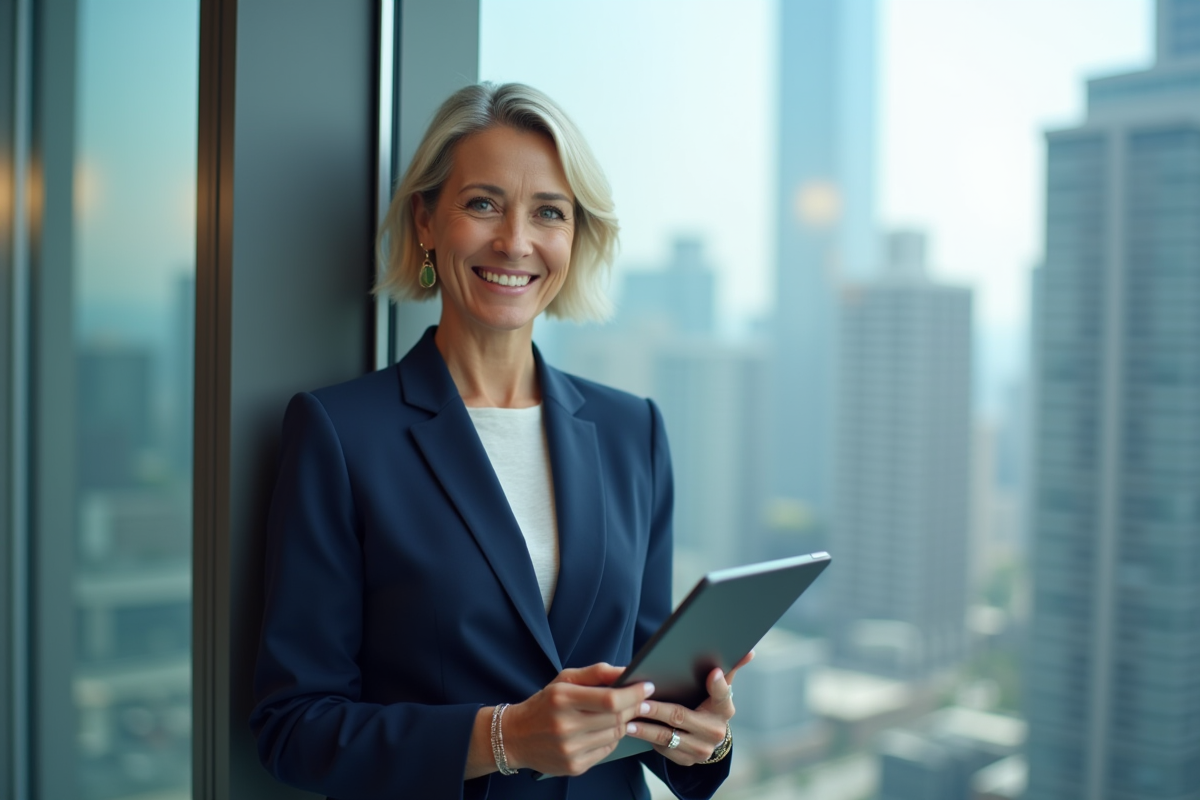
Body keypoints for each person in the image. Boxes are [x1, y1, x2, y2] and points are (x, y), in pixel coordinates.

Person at [250, 82, 749, 800]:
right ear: (425, 220)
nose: (515, 241)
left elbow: (646, 693)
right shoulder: (340, 434)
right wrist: (502, 739)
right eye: (483, 203)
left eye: (549, 212)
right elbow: (292, 725)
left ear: (575, 239)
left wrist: (702, 736)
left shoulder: (632, 430)